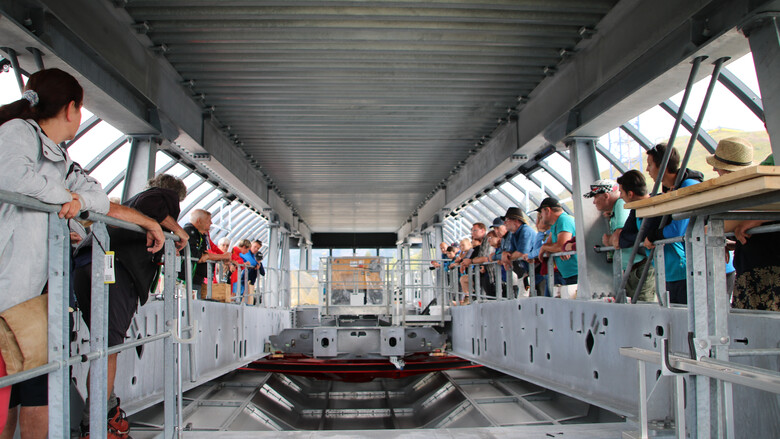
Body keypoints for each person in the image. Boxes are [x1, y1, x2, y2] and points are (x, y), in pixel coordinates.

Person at [0, 68, 163, 439]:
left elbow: (96, 197)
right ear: (72, 109)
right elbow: (11, 178)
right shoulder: (16, 134)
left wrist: (76, 201)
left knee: (37, 391)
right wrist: (67, 199)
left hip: (40, 300)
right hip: (8, 294)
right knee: (10, 391)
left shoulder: (59, 156)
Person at [73, 174, 188, 439]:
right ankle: (96, 426)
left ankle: (106, 409)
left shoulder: (136, 203)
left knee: (104, 346)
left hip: (89, 264)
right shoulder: (159, 198)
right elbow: (153, 206)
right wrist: (177, 229)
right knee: (108, 349)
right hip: (112, 271)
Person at [706, 137, 780, 311]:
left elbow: (711, 228)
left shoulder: (756, 189)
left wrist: (756, 220)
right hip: (752, 267)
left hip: (766, 270)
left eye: (718, 167)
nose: (715, 169)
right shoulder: (748, 191)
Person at [643, 144, 703, 304]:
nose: (647, 170)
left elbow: (678, 228)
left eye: (650, 165)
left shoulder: (688, 186)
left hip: (699, 266)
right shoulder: (670, 189)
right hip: (686, 266)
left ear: (662, 166)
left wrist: (653, 236)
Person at [614, 170, 657, 302]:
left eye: (621, 192)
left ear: (630, 194)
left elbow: (647, 234)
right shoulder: (635, 210)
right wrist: (640, 238)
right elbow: (624, 237)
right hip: (643, 266)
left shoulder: (655, 206)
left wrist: (641, 237)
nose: (620, 196)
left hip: (650, 265)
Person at [182, 209, 233, 292]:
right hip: (185, 280)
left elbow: (205, 253)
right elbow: (199, 255)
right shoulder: (189, 232)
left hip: (195, 278)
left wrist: (221, 257)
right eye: (208, 220)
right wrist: (221, 256)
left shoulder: (201, 235)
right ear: (199, 221)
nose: (211, 223)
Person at [536, 197, 578, 286]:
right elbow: (549, 244)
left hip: (576, 274)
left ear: (547, 210)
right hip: (568, 274)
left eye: (541, 212)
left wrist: (544, 247)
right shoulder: (556, 224)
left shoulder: (564, 220)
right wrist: (548, 247)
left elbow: (561, 246)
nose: (540, 216)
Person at [500, 207, 537, 286]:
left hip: (538, 271)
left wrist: (506, 259)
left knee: (541, 295)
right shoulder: (514, 233)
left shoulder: (526, 231)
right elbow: (512, 252)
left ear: (516, 221)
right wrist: (505, 254)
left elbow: (521, 252)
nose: (504, 223)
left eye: (507, 220)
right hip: (530, 271)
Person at [460, 223, 493, 297]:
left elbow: (485, 258)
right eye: (472, 231)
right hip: (488, 274)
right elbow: (482, 257)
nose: (472, 233)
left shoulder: (487, 240)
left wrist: (471, 261)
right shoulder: (483, 243)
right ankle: (470, 298)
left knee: (493, 297)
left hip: (491, 275)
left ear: (482, 230)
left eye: (475, 230)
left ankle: (470, 298)